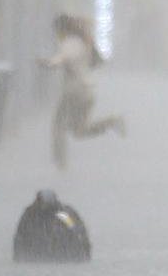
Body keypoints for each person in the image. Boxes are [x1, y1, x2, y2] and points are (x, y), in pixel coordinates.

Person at [39, 14, 125, 169]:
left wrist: (49, 63)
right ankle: (111, 122)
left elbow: (66, 57)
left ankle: (60, 163)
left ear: (62, 29)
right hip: (86, 92)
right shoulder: (83, 41)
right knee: (79, 131)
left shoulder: (71, 42)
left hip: (74, 92)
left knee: (58, 125)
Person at [12, 189, 92, 263]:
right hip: (37, 257)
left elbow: (75, 231)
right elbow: (21, 234)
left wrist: (82, 252)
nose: (45, 206)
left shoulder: (63, 215)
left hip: (62, 257)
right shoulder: (31, 215)